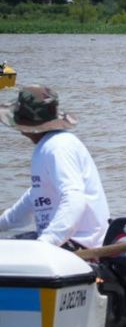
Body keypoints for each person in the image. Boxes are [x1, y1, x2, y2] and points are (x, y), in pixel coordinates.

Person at [0, 85, 110, 249]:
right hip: (62, 240)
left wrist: (47, 243)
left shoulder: (57, 147)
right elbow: (35, 196)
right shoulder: (48, 145)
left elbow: (74, 198)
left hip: (78, 243)